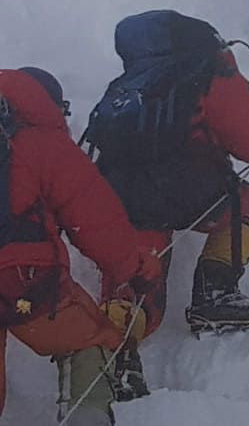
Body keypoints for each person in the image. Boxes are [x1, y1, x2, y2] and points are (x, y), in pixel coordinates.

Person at [84, 11, 249, 399]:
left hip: (120, 197)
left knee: (136, 275)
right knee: (248, 208)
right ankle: (216, 295)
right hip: (191, 189)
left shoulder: (125, 85)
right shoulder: (207, 68)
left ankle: (115, 356)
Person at [0, 67, 160, 425]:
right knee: (89, 338)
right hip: (20, 279)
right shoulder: (40, 142)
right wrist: (137, 268)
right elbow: (99, 225)